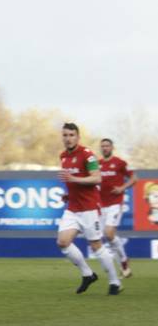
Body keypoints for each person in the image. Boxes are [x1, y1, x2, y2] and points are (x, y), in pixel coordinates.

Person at [56, 123, 121, 295]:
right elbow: (73, 181)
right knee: (63, 242)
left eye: (71, 135)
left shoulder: (87, 155)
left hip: (89, 209)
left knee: (96, 246)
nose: (68, 138)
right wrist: (68, 195)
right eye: (65, 135)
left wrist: (73, 179)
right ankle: (88, 274)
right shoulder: (63, 156)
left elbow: (97, 178)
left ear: (78, 137)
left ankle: (115, 281)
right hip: (73, 207)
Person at [98, 138, 136, 278]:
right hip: (101, 206)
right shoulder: (98, 164)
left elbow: (134, 178)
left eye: (107, 146)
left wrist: (122, 188)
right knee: (108, 236)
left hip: (115, 203)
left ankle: (123, 262)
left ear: (112, 147)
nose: (105, 148)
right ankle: (124, 260)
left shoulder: (120, 163)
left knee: (108, 233)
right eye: (102, 146)